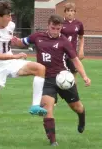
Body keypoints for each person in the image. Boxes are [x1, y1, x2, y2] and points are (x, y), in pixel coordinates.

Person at [11, 14, 91, 146]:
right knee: (47, 108)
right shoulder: (37, 36)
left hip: (63, 78)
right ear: (48, 26)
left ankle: (82, 118)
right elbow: (22, 42)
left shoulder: (64, 41)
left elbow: (75, 60)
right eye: (53, 28)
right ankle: (53, 141)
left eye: (58, 29)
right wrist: (14, 40)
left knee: (77, 107)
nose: (55, 31)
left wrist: (84, 76)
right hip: (45, 79)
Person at [0, 0, 47, 143]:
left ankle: (35, 105)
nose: (11, 19)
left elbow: (11, 39)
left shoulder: (11, 25)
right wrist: (14, 55)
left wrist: (16, 42)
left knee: (40, 68)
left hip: (10, 64)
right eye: (8, 16)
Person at [61, 2, 85, 82]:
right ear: (65, 12)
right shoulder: (60, 23)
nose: (70, 13)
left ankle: (74, 93)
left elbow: (81, 37)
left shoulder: (79, 24)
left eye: (72, 11)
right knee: (59, 74)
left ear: (75, 12)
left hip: (72, 53)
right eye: (68, 11)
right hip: (61, 53)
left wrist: (81, 50)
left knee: (73, 75)